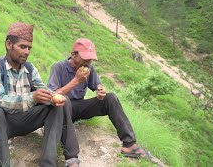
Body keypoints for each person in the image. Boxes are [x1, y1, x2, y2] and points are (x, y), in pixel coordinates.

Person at [47, 38, 151, 167]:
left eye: (90, 59)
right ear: (73, 54)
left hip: (79, 108)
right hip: (61, 110)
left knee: (110, 98)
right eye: (85, 58)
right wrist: (76, 80)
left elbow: (97, 85)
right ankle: (71, 159)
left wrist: (100, 91)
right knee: (65, 101)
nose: (88, 62)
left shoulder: (88, 68)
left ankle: (129, 145)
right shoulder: (58, 67)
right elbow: (52, 96)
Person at [0, 22, 68, 167]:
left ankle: (48, 163)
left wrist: (51, 98)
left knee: (55, 107)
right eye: (22, 47)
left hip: (26, 119)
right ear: (9, 44)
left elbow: (42, 89)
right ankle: (4, 164)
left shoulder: (30, 69)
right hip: (3, 124)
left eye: (29, 48)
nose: (27, 52)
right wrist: (32, 97)